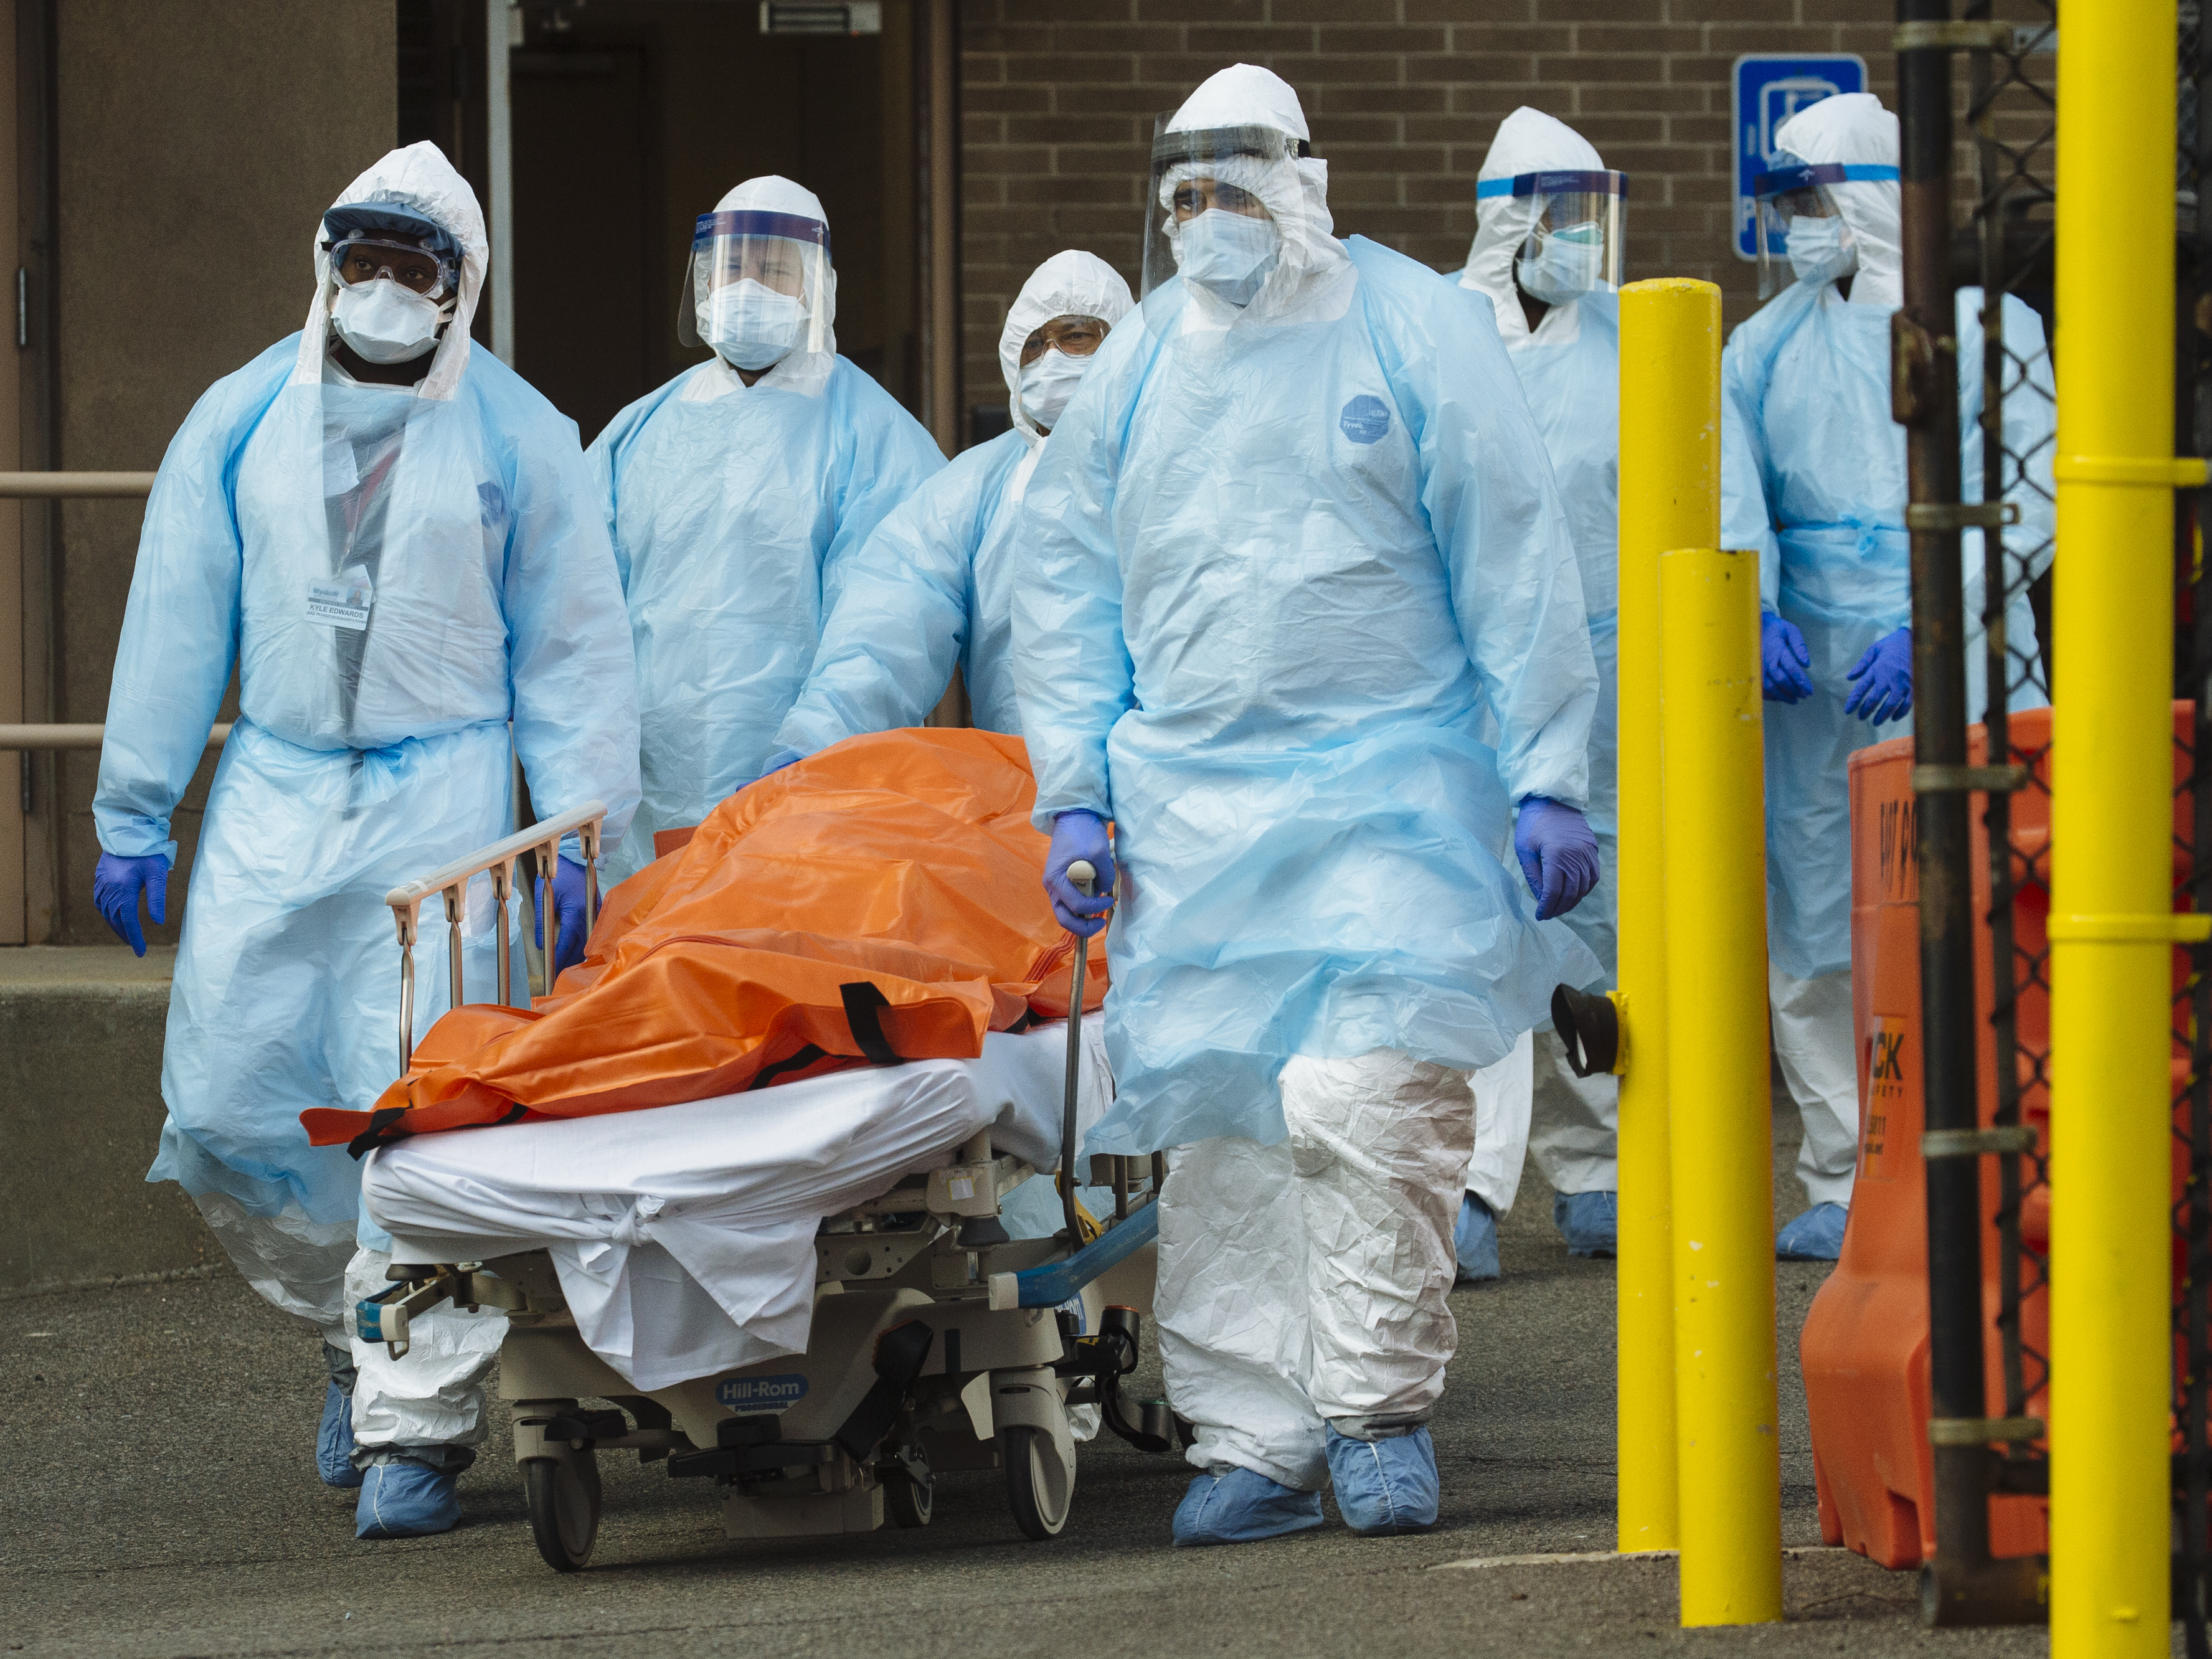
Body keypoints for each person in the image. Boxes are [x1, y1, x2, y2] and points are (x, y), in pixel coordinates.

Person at [1013, 64, 1602, 1546]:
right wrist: (1071, 798)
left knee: (1365, 1103)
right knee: (1226, 1131)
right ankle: (1253, 1435)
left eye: (1238, 183)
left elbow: (1510, 550)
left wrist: (1544, 768)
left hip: (1390, 781)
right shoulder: (1141, 361)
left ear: (1302, 181)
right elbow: (1067, 586)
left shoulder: (1411, 328)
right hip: (1194, 808)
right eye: (1187, 191)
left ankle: (1376, 1411)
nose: (1213, 216)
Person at [92, 142, 641, 1538]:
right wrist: (133, 807)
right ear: (326, 264)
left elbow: (573, 653)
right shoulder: (236, 421)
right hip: (277, 800)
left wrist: (582, 840)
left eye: (416, 265)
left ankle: (413, 1428)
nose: (384, 288)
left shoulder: (521, 435)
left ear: (461, 287)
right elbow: (175, 614)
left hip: (440, 815)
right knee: (229, 1104)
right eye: (366, 259)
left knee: (414, 1116)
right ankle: (353, 1339)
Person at [1723, 92, 2053, 1259]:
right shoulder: (1761, 346)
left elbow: (2031, 495)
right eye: (1785, 207)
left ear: (1865, 196)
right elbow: (1730, 485)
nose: (1796, 228)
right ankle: (1842, 1167)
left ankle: (1995, 1149)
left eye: (1813, 202)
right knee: (1818, 920)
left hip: (1961, 659)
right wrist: (1752, 603)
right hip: (1817, 682)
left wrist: (1930, 617)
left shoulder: (1989, 330)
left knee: (1977, 902)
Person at [590, 176, 945, 881]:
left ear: (817, 286)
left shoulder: (874, 437)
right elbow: (577, 616)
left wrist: (815, 746)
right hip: (648, 803)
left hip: (815, 796)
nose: (748, 284)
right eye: (731, 267)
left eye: (774, 268)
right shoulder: (637, 434)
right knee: (659, 977)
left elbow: (890, 626)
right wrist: (587, 785)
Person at [1452, 107, 1630, 1275]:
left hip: (1605, 672)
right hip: (1462, 671)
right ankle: (1464, 1182)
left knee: (1590, 917)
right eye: (1555, 216)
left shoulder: (1635, 342)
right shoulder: (1431, 331)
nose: (1575, 239)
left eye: (1588, 217)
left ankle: (1596, 1165)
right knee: (1469, 923)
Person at [772, 249, 1134, 749]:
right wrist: (813, 746)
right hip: (1026, 798)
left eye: (1076, 336)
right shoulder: (975, 487)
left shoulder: (1171, 466)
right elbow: (887, 628)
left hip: (1168, 791)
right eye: (1033, 345)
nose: (1052, 359)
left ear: (1124, 344)